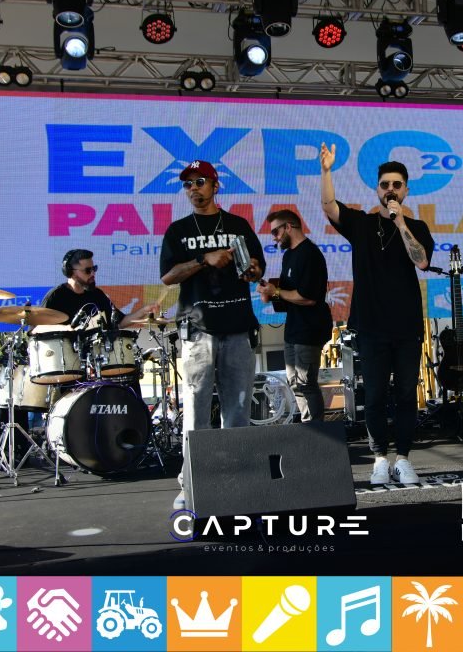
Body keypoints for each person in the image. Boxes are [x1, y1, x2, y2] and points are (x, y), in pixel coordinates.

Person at [320, 145, 434, 485]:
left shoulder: (416, 227)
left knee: (405, 395)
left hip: (407, 326)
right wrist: (326, 171)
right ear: (377, 189)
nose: (390, 190)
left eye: (396, 185)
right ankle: (380, 458)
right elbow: (329, 206)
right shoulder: (361, 224)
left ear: (406, 190)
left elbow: (422, 261)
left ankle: (404, 458)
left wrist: (400, 221)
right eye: (385, 185)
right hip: (371, 326)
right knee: (374, 395)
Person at [160, 160, 265, 508]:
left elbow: (256, 269)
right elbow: (168, 277)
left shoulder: (237, 225)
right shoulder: (178, 230)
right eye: (188, 184)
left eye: (200, 182)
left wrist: (251, 269)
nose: (194, 189)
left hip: (237, 325)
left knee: (238, 410)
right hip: (197, 330)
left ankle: (236, 480)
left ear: (215, 186)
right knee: (196, 410)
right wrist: (205, 260)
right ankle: (193, 483)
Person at [256, 209, 332, 423]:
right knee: (294, 382)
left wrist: (276, 292)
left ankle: (317, 430)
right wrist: (269, 292)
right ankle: (309, 428)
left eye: (276, 232)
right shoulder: (289, 255)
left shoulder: (310, 254)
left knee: (306, 382)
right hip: (293, 328)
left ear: (289, 227)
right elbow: (285, 293)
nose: (274, 237)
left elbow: (308, 298)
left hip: (309, 328)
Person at [41, 249, 160, 328]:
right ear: (71, 273)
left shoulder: (96, 294)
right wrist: (66, 329)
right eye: (88, 270)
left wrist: (144, 310)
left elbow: (120, 322)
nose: (93, 273)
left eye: (94, 269)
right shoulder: (56, 296)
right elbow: (37, 328)